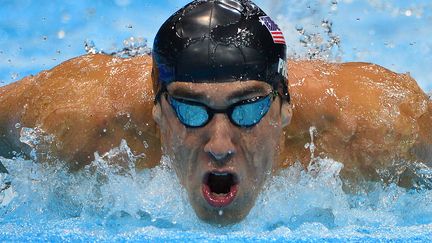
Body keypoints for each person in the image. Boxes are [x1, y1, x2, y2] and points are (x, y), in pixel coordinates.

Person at [0, 0, 431, 225]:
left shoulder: (376, 127)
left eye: (248, 109)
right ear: (157, 109)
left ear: (284, 108)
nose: (220, 144)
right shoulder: (78, 121)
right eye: (191, 110)